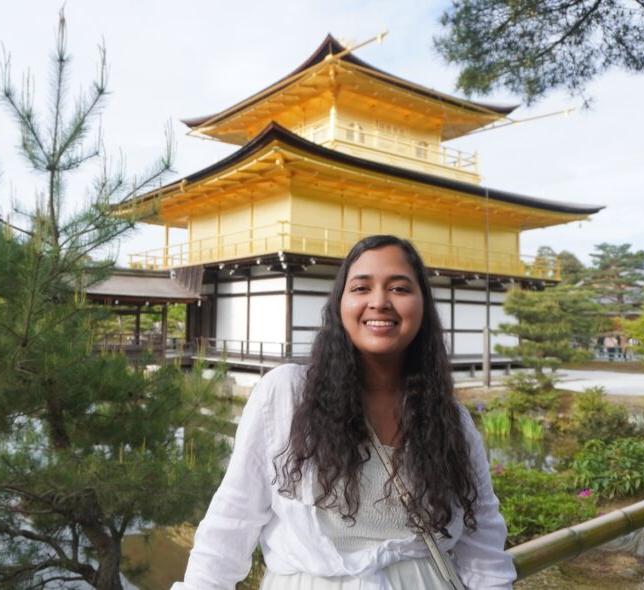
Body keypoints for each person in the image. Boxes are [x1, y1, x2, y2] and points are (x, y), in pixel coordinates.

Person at [172, 235, 516, 590]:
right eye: (361, 288)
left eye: (399, 288)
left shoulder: (450, 419)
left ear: (423, 306)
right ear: (340, 305)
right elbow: (231, 523)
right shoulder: (287, 395)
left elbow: (483, 541)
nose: (379, 302)